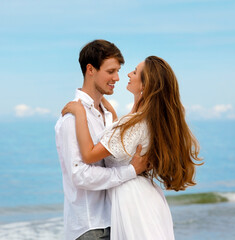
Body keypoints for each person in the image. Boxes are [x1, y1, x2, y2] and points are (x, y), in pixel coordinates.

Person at [62, 56, 202, 239]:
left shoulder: (136, 123)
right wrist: (106, 108)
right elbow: (120, 136)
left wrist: (80, 113)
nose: (127, 74)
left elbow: (89, 155)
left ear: (146, 85)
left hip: (133, 199)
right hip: (137, 195)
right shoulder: (139, 118)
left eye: (135, 72)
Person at [55, 40, 148, 240]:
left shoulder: (106, 115)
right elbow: (79, 175)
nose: (117, 77)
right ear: (91, 69)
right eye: (110, 71)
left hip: (117, 220)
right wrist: (131, 171)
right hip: (91, 227)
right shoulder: (72, 117)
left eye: (118, 71)